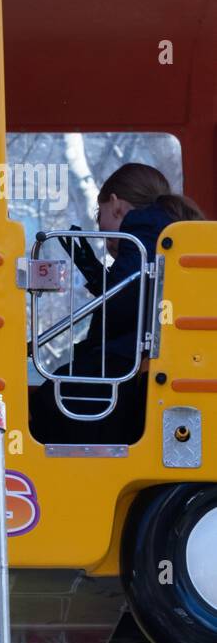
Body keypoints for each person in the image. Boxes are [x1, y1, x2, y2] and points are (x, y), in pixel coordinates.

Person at [32, 163, 205, 443]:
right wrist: (91, 269)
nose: (101, 229)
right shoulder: (165, 226)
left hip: (127, 360)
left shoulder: (142, 225)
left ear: (116, 205)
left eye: (99, 215)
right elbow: (138, 292)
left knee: (50, 401)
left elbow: (124, 303)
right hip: (140, 358)